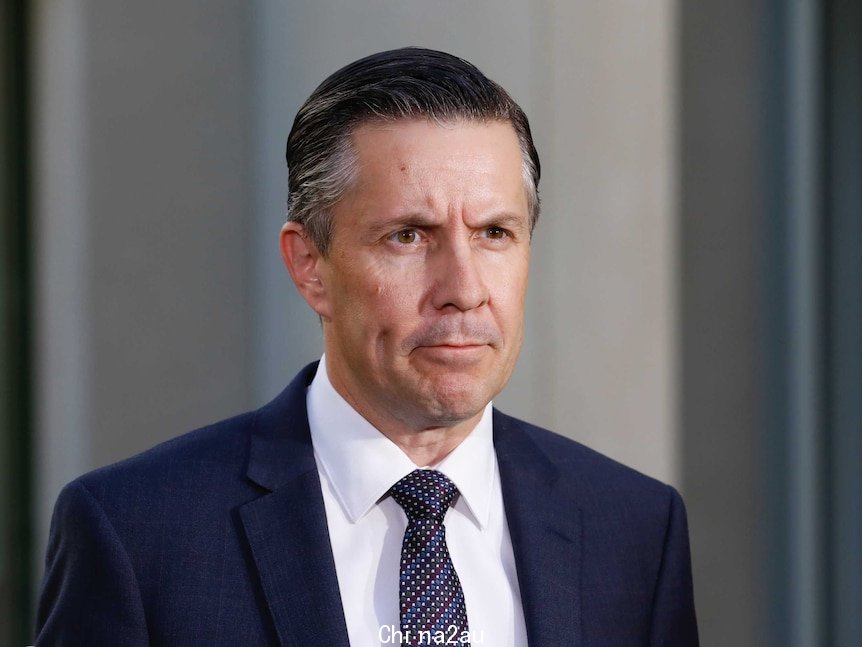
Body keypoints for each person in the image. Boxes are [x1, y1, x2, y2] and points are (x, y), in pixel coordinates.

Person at [35, 47, 698, 646]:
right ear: (310, 266)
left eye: (495, 232)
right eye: (409, 235)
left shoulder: (635, 529)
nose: (463, 290)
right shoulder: (138, 533)